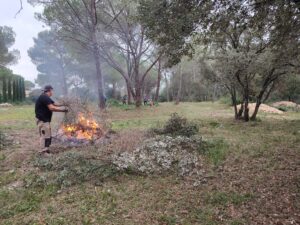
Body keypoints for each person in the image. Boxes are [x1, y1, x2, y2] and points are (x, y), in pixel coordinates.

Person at [35, 85, 68, 154]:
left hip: (45, 120)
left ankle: (46, 150)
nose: (52, 92)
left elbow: (54, 104)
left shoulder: (46, 97)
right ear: (49, 90)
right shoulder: (44, 97)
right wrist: (63, 110)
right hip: (42, 120)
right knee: (44, 136)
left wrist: (64, 104)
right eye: (52, 91)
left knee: (48, 135)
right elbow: (52, 108)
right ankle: (43, 152)